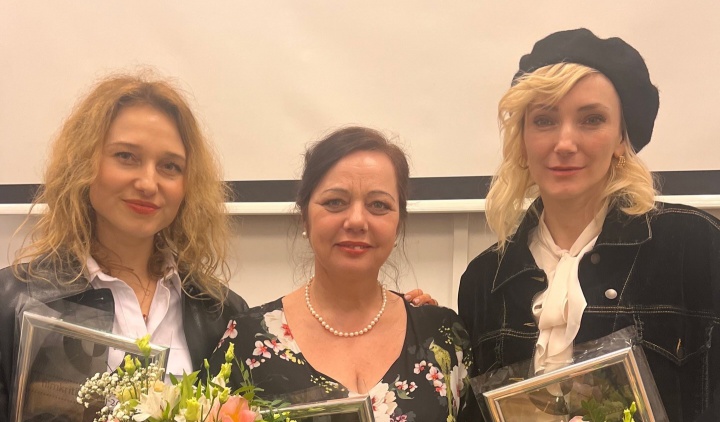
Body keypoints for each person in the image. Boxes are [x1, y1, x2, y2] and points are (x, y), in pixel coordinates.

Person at [458, 28, 720, 421]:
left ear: (621, 139)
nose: (565, 143)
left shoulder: (694, 245)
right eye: (544, 120)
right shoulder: (484, 280)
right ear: (523, 141)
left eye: (591, 119)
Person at [0, 73, 249, 419]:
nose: (148, 183)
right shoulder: (12, 302)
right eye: (126, 156)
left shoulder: (222, 312)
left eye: (170, 166)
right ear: (84, 164)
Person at [209, 126, 476, 421]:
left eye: (379, 205)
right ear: (305, 216)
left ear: (399, 223)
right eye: (335, 202)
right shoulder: (246, 342)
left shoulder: (444, 336)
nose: (357, 220)